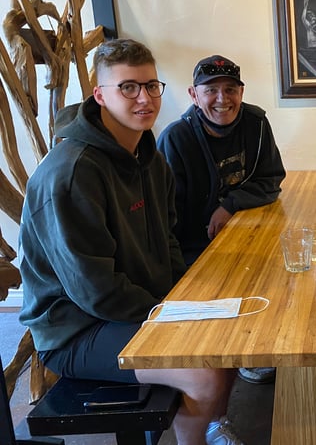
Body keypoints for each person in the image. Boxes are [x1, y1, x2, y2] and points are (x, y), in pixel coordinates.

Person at [18, 39, 243, 445]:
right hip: (77, 330)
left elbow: (168, 240)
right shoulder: (72, 174)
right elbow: (94, 292)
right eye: (128, 87)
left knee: (226, 341)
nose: (144, 98)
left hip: (136, 307)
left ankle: (209, 426)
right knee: (204, 372)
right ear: (99, 94)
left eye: (151, 85)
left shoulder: (149, 157)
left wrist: (186, 299)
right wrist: (166, 316)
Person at [157, 54, 285, 385]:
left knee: (284, 266)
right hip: (194, 244)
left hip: (241, 229)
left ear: (241, 92)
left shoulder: (256, 123)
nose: (222, 99)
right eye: (211, 90)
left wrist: (230, 204)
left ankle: (256, 346)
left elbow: (272, 179)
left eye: (231, 89)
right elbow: (167, 218)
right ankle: (226, 359)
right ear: (193, 94)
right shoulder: (175, 139)